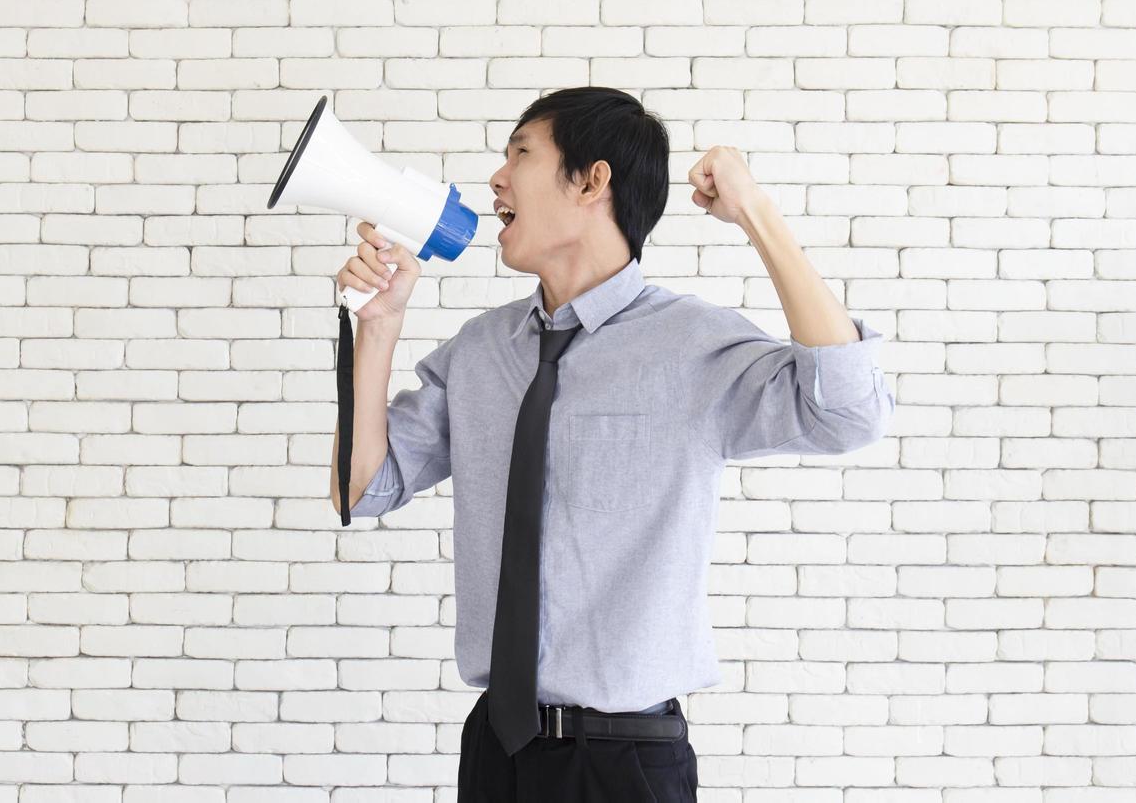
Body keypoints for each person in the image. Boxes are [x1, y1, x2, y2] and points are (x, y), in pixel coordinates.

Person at [331, 86, 895, 801]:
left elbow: (849, 412)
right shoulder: (479, 352)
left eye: (522, 154)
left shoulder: (692, 345)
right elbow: (363, 487)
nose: (497, 179)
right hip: (495, 752)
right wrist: (378, 326)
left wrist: (754, 211)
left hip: (625, 762)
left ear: (593, 179)